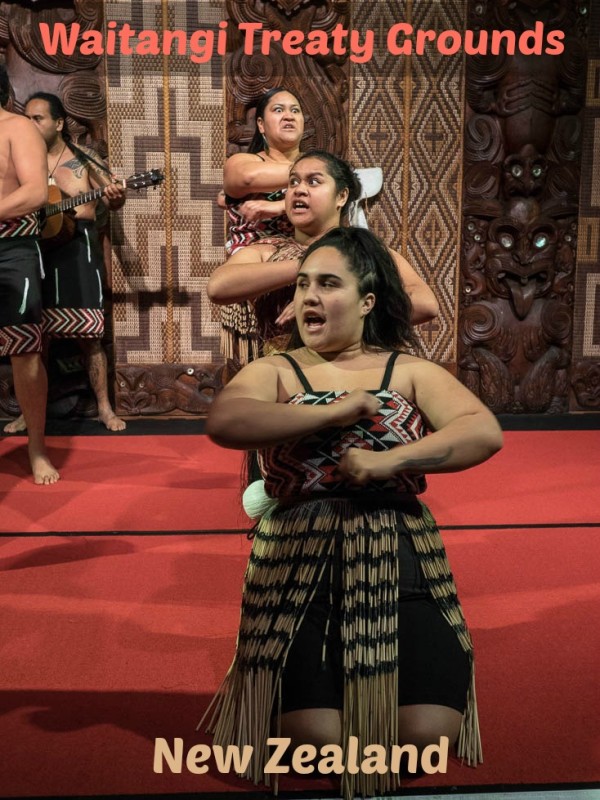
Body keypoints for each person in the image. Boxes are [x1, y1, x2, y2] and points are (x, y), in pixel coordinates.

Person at [201, 227, 503, 799]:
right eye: (303, 285)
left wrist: (393, 462)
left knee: (426, 738)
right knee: (313, 747)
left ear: (366, 302)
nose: (308, 296)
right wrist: (334, 412)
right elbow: (228, 422)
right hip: (298, 566)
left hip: (398, 557)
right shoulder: (279, 370)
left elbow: (482, 431)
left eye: (328, 284)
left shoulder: (409, 371)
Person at [209, 150, 439, 363]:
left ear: (341, 196)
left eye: (314, 181)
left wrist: (337, 306)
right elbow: (219, 287)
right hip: (286, 375)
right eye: (293, 182)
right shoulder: (267, 251)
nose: (299, 189)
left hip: (358, 375)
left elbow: (426, 304)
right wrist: (309, 267)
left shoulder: (367, 253)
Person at [3, 92, 126, 435]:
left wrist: (116, 196)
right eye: (26, 117)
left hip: (77, 248)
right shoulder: (21, 159)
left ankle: (104, 407)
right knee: (32, 337)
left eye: (38, 118)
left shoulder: (82, 159)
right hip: (33, 248)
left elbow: (115, 195)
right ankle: (30, 414)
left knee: (89, 334)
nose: (30, 123)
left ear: (58, 123)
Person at [0, 64, 58, 484]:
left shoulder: (17, 127)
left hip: (10, 246)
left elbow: (36, 191)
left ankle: (36, 445)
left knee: (25, 349)